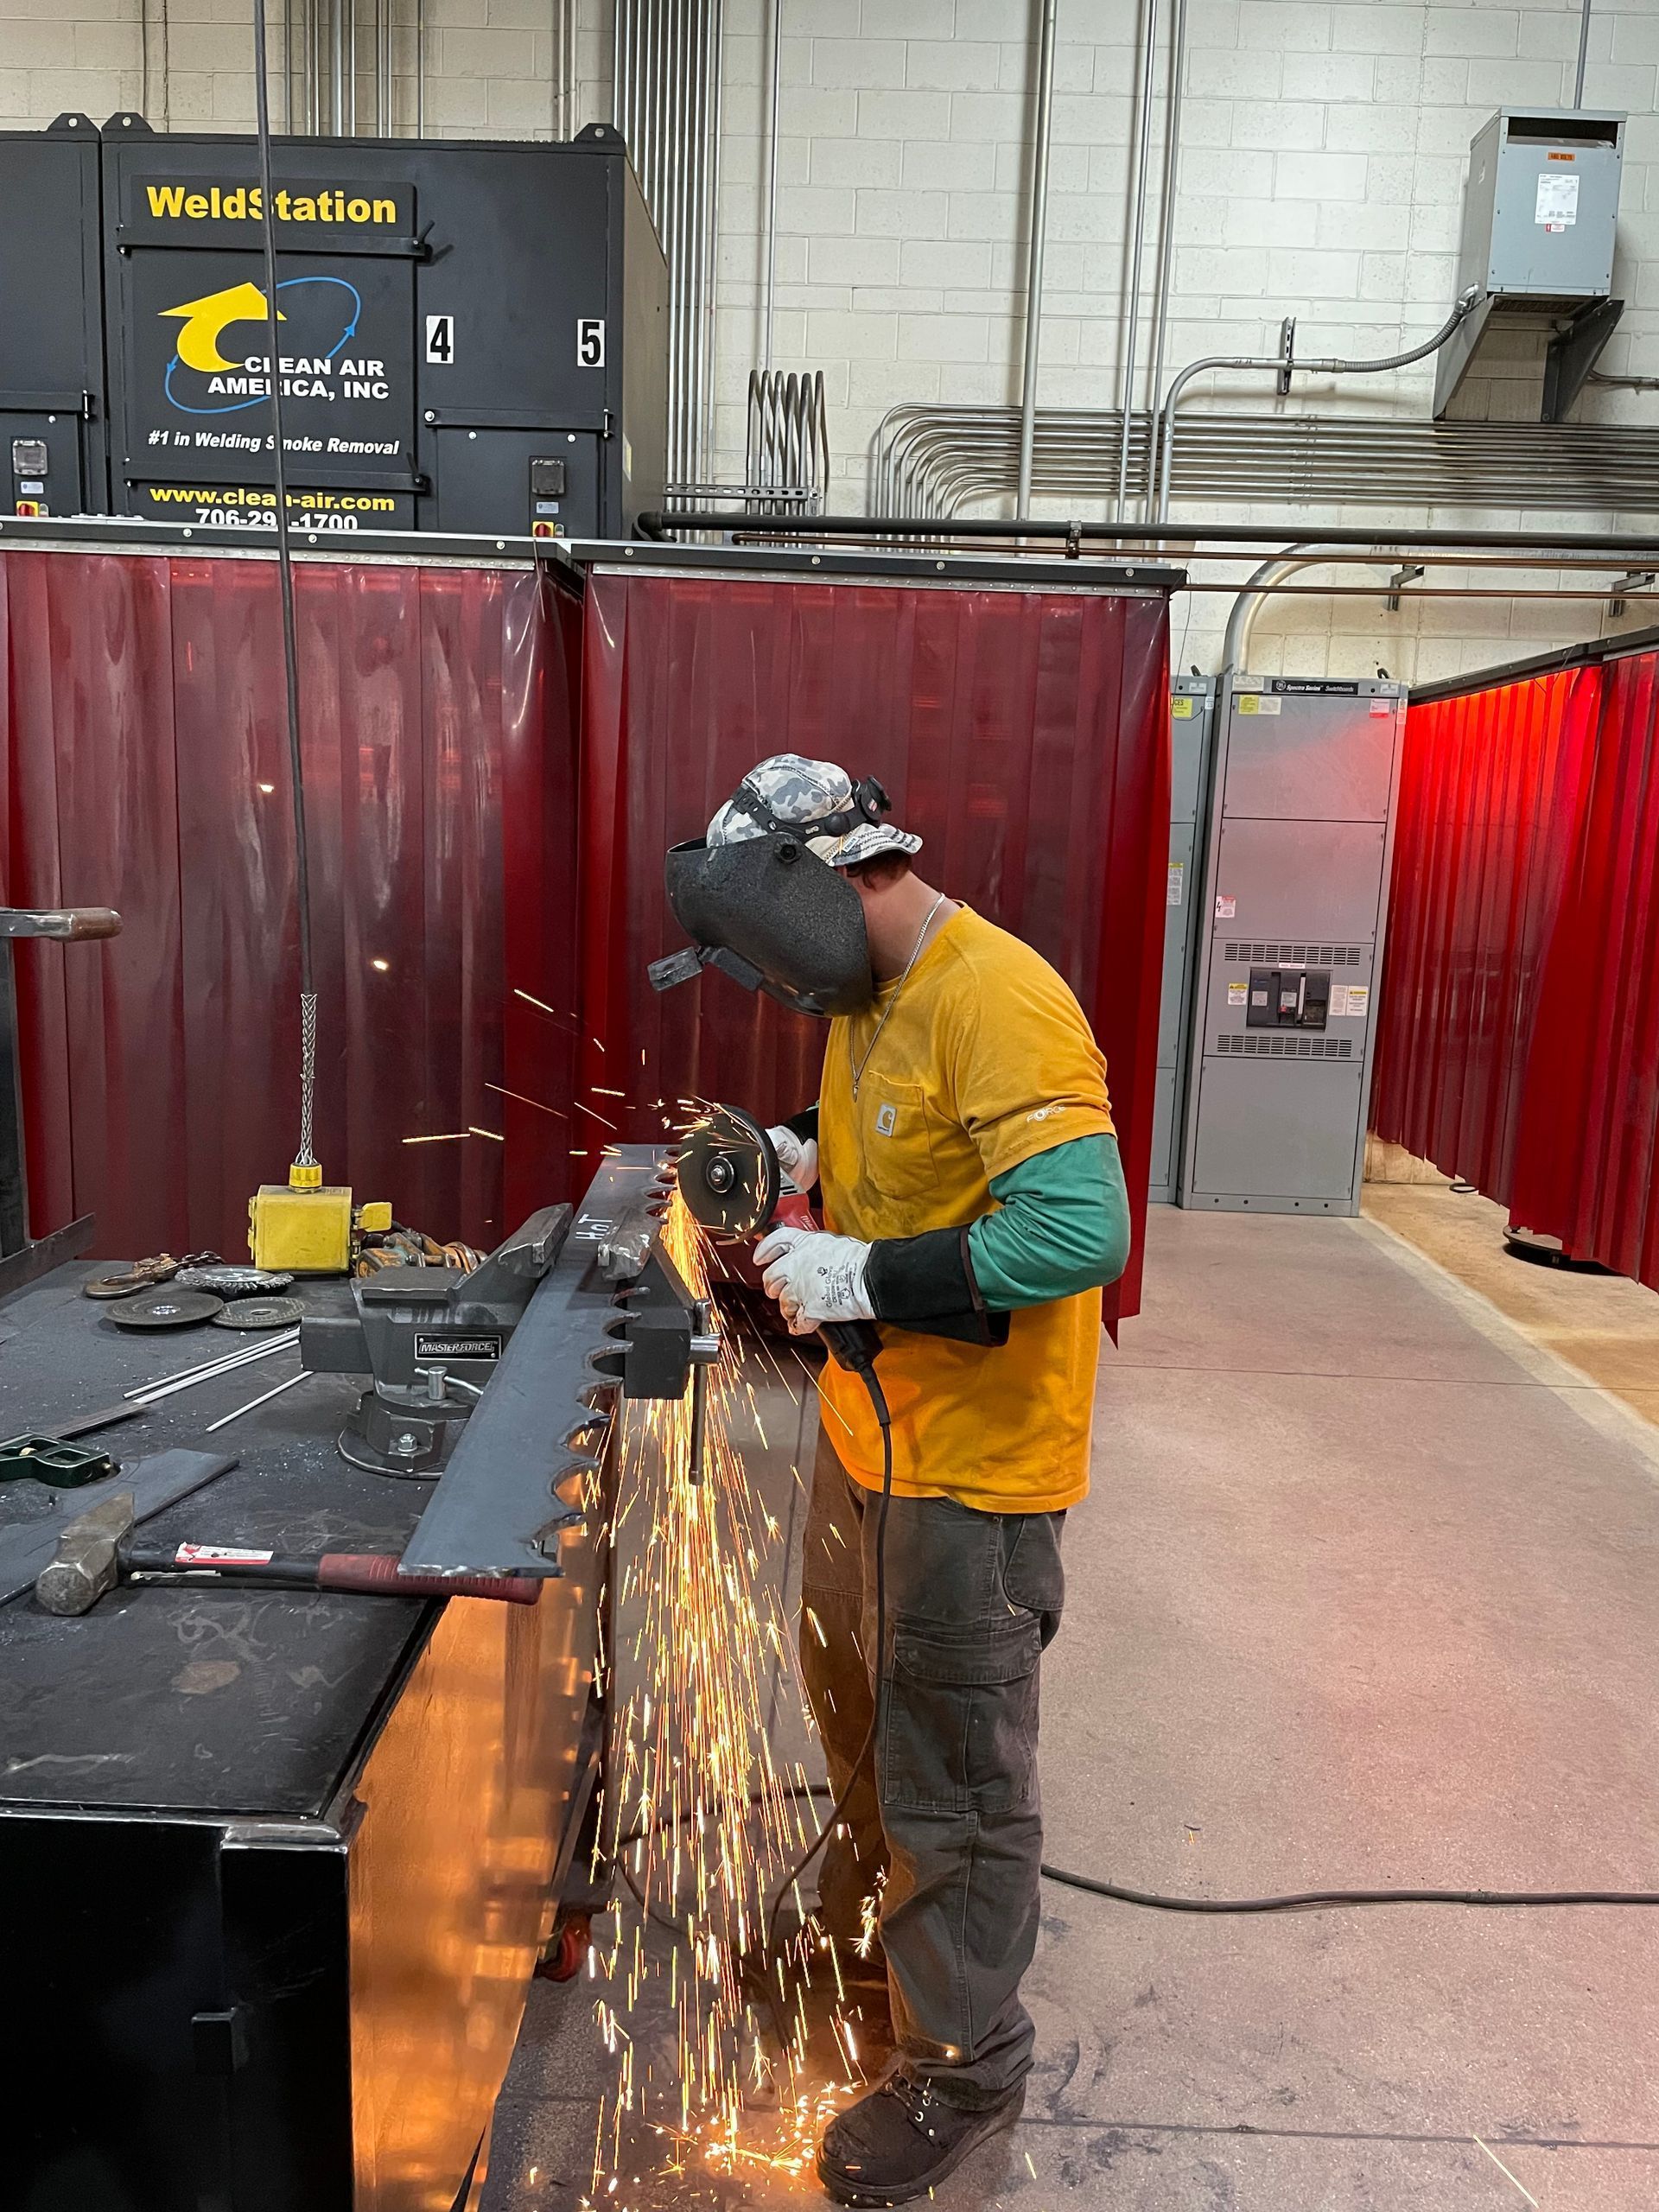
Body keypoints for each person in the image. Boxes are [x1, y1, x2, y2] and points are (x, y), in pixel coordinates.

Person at [700, 755, 1131, 2206]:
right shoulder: (863, 998)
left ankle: (961, 2060)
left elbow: (1079, 1232)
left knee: (952, 1766)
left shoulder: (997, 996)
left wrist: (865, 1272)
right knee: (860, 1713)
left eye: (768, 948)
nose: (771, 988)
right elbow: (903, 1139)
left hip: (972, 1474)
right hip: (863, 1434)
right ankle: (869, 1925)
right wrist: (794, 1150)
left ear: (830, 884)